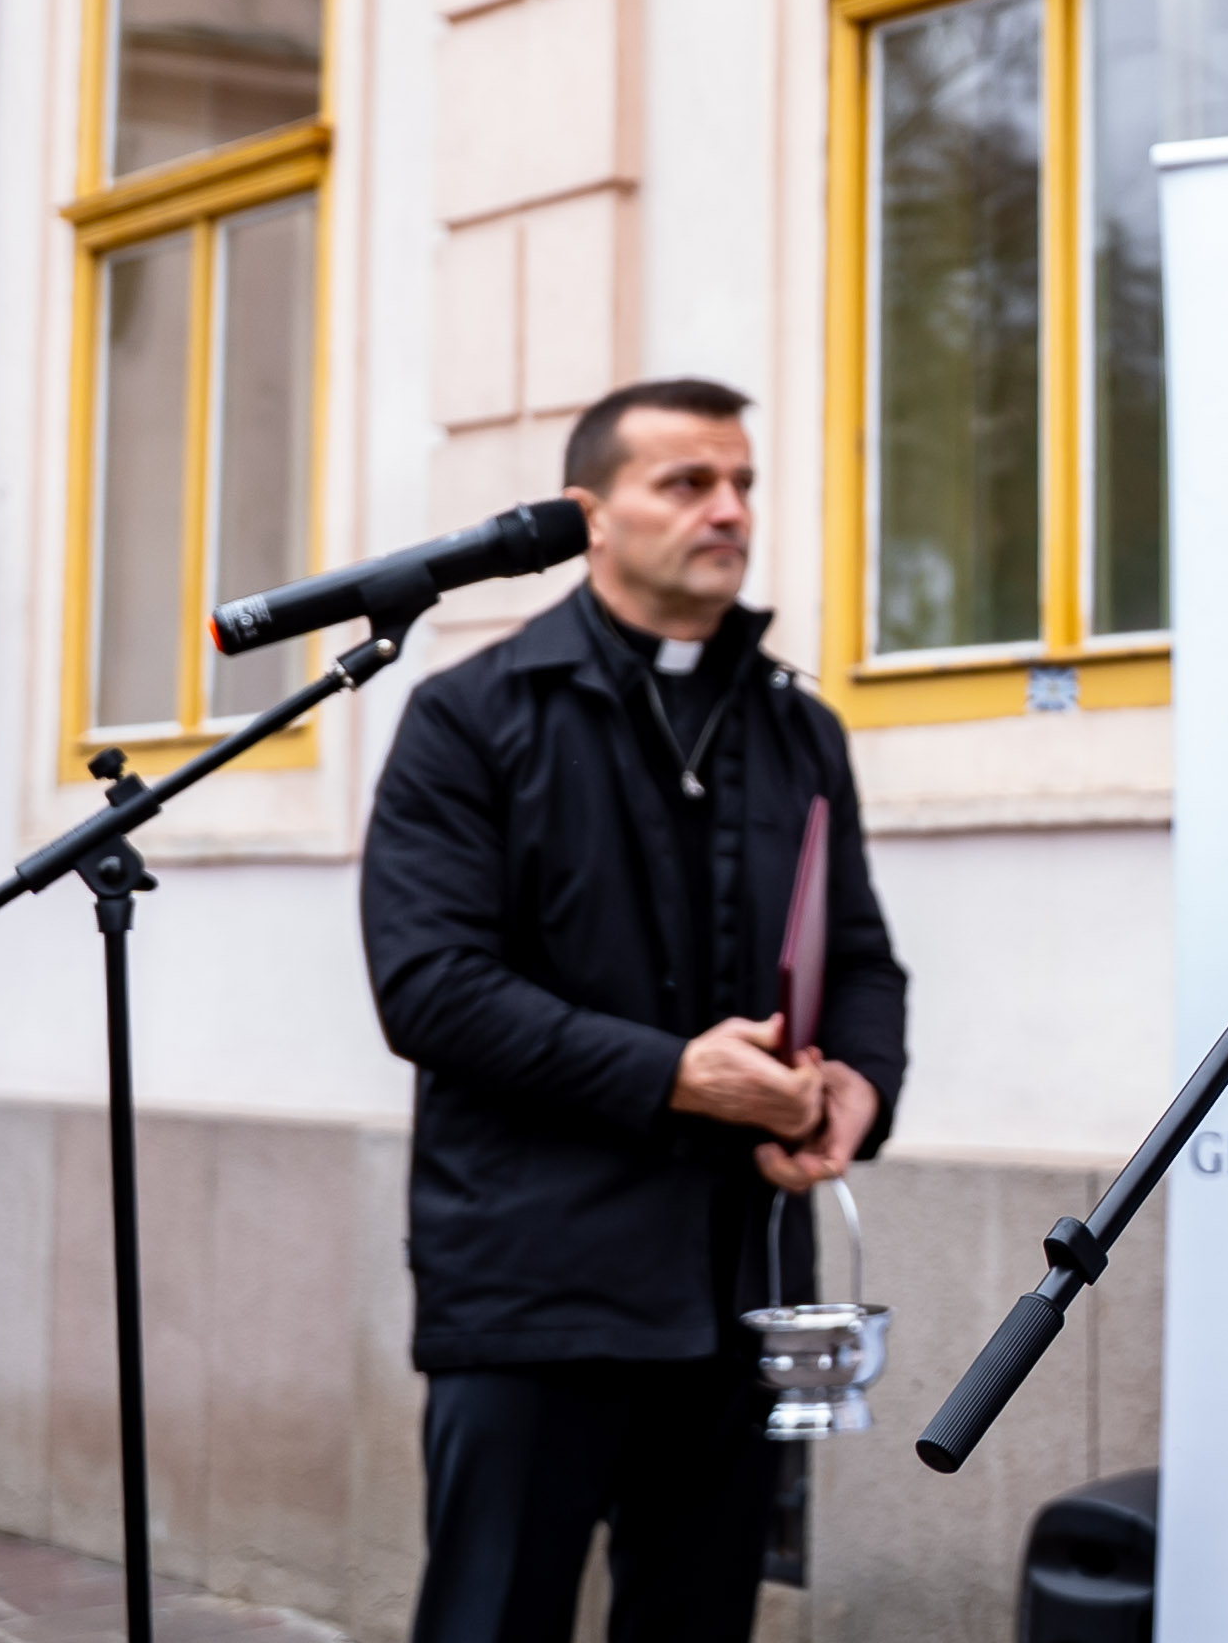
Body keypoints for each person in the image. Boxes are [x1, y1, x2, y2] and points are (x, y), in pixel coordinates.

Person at [362, 378, 908, 1643]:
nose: (729, 510)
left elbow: (865, 961)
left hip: (741, 1279)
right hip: (533, 1279)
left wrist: (854, 1091)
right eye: (687, 482)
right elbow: (431, 985)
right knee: (494, 1619)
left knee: (699, 1623)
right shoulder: (471, 716)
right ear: (589, 514)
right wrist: (676, 1072)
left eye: (744, 484)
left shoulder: (797, 725)